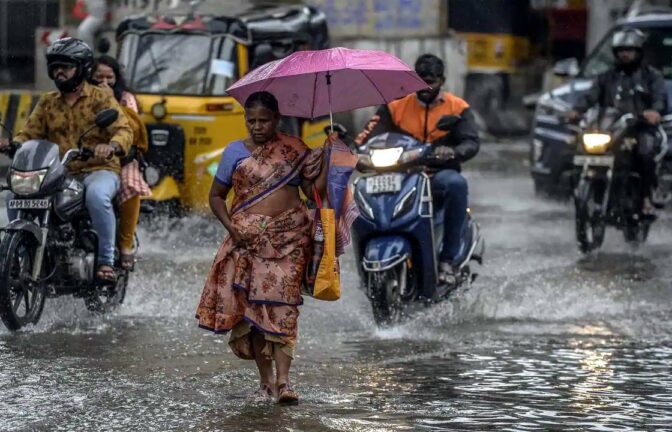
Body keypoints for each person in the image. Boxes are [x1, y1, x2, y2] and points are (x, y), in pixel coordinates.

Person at [196, 91, 327, 405]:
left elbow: (313, 194)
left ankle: (285, 383)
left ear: (277, 120)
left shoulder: (294, 149)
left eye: (264, 120)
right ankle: (266, 382)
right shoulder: (233, 152)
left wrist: (329, 162)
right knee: (252, 312)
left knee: (284, 310)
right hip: (247, 243)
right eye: (251, 120)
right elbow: (216, 197)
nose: (257, 126)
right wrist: (233, 228)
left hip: (290, 240)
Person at [0, 38, 133, 281]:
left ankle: (105, 261)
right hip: (59, 172)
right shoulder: (48, 101)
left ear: (81, 69)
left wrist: (110, 146)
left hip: (98, 168)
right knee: (13, 194)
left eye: (66, 67)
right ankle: (21, 254)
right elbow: (30, 132)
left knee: (96, 196)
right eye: (55, 67)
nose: (59, 72)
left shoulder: (101, 98)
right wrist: (13, 143)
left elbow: (124, 130)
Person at [355, 53, 480, 284]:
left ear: (441, 81)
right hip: (400, 173)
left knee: (456, 184)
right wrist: (350, 148)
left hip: (436, 173)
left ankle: (447, 260)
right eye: (420, 80)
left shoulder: (457, 107)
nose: (425, 86)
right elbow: (367, 134)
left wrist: (452, 152)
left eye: (431, 81)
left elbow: (471, 142)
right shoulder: (394, 105)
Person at [566, 28, 667, 215]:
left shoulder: (651, 76)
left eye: (629, 50)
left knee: (645, 152)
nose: (625, 54)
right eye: (621, 50)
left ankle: (647, 197)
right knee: (577, 148)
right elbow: (590, 96)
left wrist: (654, 111)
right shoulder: (606, 77)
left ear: (639, 52)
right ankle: (586, 193)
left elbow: (660, 98)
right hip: (610, 128)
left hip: (639, 128)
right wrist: (576, 110)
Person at [92, 55, 150, 270]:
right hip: (86, 157)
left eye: (110, 77)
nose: (105, 82)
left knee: (130, 184)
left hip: (122, 157)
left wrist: (110, 101)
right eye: (99, 77)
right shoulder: (82, 97)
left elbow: (131, 130)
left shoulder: (126, 99)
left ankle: (125, 245)